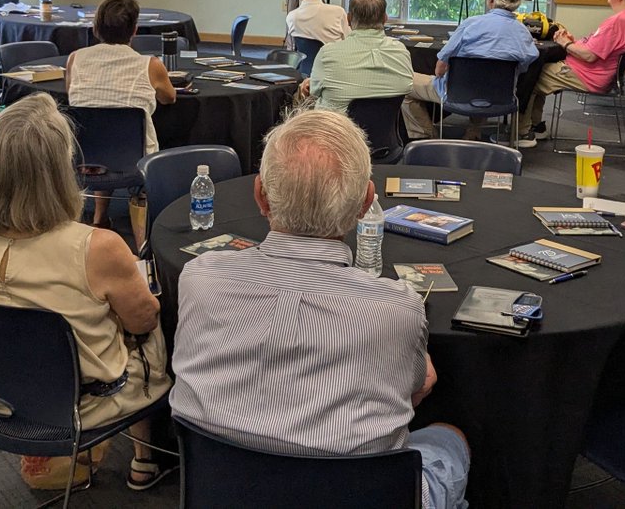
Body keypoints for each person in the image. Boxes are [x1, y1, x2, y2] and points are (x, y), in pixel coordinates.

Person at [170, 109, 470, 509]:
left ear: (260, 195)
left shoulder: (198, 277)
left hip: (222, 491)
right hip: (357, 495)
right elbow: (417, 389)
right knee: (450, 438)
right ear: (367, 203)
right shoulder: (398, 308)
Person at [0, 94, 173, 492]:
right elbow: (144, 321)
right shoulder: (96, 247)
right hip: (82, 404)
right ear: (60, 171)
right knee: (155, 322)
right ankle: (146, 460)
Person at [65, 0, 176, 230]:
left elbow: (75, 100)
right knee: (115, 141)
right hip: (135, 162)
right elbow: (169, 98)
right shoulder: (150, 65)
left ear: (95, 29)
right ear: (134, 30)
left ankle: (99, 218)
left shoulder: (75, 60)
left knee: (101, 134)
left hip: (83, 158)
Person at [402, 0, 539, 141]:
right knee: (486, 81)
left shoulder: (470, 25)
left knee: (403, 83)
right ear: (518, 2)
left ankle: (426, 136)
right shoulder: (524, 34)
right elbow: (524, 67)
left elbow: (439, 69)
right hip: (501, 96)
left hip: (456, 94)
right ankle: (474, 131)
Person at [519, 0, 625, 145]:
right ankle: (536, 127)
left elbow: (589, 55)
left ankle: (522, 133)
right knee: (539, 70)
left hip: (587, 75)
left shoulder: (617, 22)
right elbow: (597, 47)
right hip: (596, 73)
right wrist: (573, 42)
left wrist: (566, 43)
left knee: (530, 75)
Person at [300, 0, 412, 112]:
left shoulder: (328, 54)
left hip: (334, 130)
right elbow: (407, 86)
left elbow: (313, 93)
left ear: (348, 18)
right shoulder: (401, 52)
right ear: (385, 18)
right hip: (383, 131)